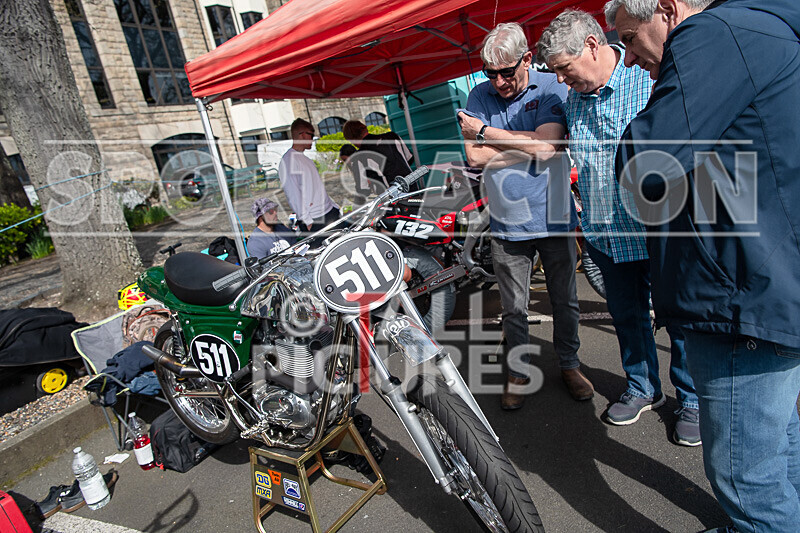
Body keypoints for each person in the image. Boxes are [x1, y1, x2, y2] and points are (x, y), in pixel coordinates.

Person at [607, 0, 800, 530]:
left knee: (746, 476)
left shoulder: (713, 35)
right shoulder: (762, 32)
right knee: (777, 445)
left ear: (668, 10)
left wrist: (637, 131)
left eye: (628, 37)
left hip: (740, 293)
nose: (626, 58)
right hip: (763, 281)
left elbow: (646, 166)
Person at [537, 9, 699, 445]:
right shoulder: (573, 101)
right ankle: (644, 386)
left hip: (659, 228)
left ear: (592, 45)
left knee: (679, 316)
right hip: (607, 231)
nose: (563, 82)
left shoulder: (648, 75)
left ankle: (692, 397)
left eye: (565, 71)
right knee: (627, 316)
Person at [458, 22, 593, 409]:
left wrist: (487, 132)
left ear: (527, 60)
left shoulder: (551, 85)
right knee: (514, 308)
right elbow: (474, 157)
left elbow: (549, 148)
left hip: (553, 216)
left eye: (507, 72)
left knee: (564, 300)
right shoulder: (477, 93)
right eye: (490, 74)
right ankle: (518, 372)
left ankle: (569, 364)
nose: (498, 82)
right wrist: (528, 145)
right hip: (506, 221)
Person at [278, 118, 339, 234]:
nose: (313, 139)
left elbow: (316, 187)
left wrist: (333, 205)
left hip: (328, 211)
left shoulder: (304, 159)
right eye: (311, 135)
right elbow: (293, 193)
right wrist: (306, 220)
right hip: (315, 218)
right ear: (303, 135)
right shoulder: (288, 160)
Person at [342, 120, 414, 190]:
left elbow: (363, 189)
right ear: (365, 128)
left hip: (392, 197)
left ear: (352, 140)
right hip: (412, 187)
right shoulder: (393, 137)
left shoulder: (359, 156)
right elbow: (410, 159)